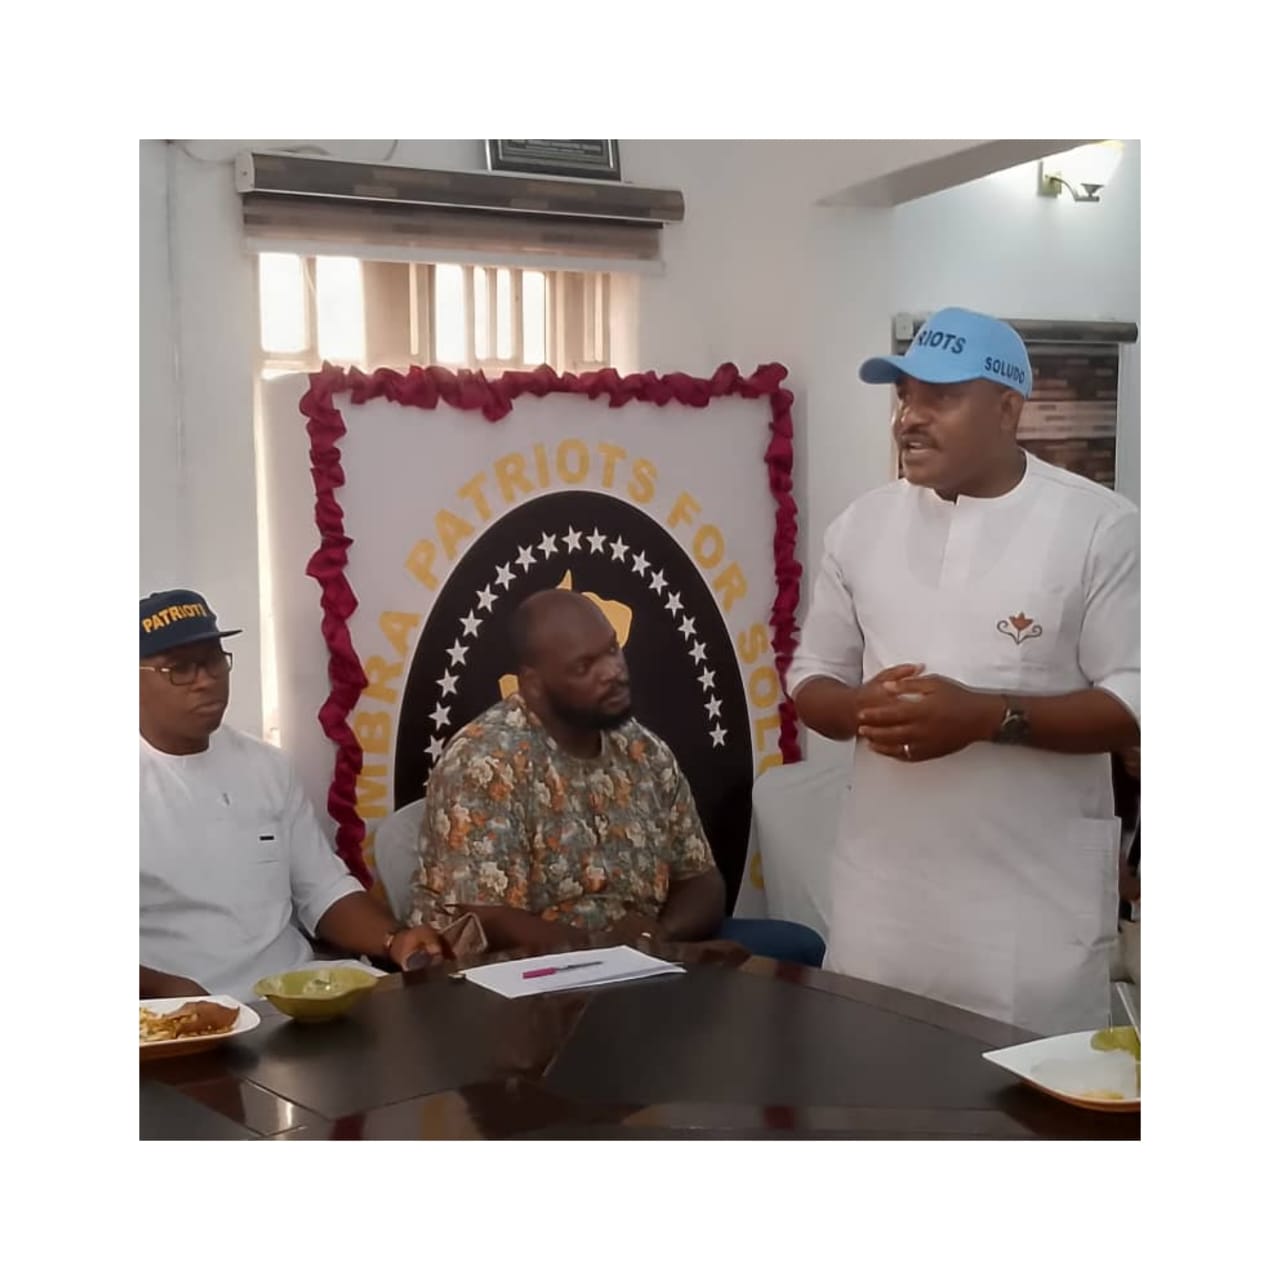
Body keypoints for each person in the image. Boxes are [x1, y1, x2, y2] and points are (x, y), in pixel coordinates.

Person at [787, 307, 1139, 1035]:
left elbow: (1136, 701)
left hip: (1028, 916)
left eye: (941, 397)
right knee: (870, 1084)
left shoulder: (1099, 528)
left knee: (1024, 1101)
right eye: (904, 395)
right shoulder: (860, 527)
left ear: (1008, 410)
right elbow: (813, 677)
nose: (909, 419)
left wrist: (986, 717)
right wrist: (859, 709)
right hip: (883, 906)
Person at [408, 589, 825, 965]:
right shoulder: (486, 760)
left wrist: (656, 939)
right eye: (585, 666)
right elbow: (491, 919)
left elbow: (702, 881)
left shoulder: (644, 750)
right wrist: (606, 952)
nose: (613, 671)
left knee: (796, 947)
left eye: (612, 649)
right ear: (533, 685)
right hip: (523, 969)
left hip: (641, 953)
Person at [140, 589, 443, 1001]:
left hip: (292, 994)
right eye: (179, 668)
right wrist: (160, 990)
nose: (206, 680)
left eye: (213, 660)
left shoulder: (265, 766)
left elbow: (323, 890)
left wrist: (394, 940)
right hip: (178, 1012)